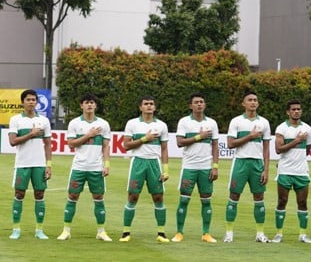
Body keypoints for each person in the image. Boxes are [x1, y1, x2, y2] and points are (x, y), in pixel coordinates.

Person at [56, 94, 112, 242]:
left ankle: (101, 231)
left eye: (92, 102)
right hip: (79, 167)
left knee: (99, 198)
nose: (89, 105)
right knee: (73, 196)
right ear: (81, 105)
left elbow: (106, 146)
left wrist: (106, 165)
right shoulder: (74, 123)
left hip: (96, 168)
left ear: (95, 106)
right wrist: (89, 135)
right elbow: (71, 143)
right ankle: (66, 230)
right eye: (86, 103)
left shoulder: (103, 124)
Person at [119, 95, 170, 243]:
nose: (149, 106)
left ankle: (161, 233)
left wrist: (165, 170)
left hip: (154, 163)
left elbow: (165, 149)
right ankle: (126, 232)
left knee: (158, 197)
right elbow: (126, 145)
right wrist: (144, 139)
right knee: (133, 196)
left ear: (155, 107)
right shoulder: (132, 124)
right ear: (140, 107)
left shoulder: (161, 125)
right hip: (138, 163)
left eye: (151, 104)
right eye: (146, 104)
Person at [224, 91, 271, 243]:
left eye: (255, 100)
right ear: (243, 104)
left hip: (257, 164)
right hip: (240, 162)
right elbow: (230, 144)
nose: (253, 102)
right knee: (234, 196)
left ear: (258, 103)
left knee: (259, 197)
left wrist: (266, 169)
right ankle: (229, 233)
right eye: (250, 100)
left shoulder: (264, 122)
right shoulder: (236, 121)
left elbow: (266, 148)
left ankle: (260, 234)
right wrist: (250, 136)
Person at [172, 92, 220, 243]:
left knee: (206, 201)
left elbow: (215, 146)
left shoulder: (212, 123)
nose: (199, 104)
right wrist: (199, 136)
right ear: (190, 105)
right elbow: (179, 142)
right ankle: (179, 233)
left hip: (206, 168)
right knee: (184, 200)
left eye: (201, 102)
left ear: (204, 105)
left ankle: (206, 233)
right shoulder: (184, 122)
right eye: (196, 102)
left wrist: (215, 167)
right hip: (189, 167)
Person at [8, 89, 52, 240]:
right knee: (19, 194)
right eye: (28, 99)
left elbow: (47, 144)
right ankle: (16, 229)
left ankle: (39, 230)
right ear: (22, 102)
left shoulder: (44, 121)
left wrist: (49, 165)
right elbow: (13, 141)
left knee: (40, 194)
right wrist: (31, 134)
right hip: (22, 163)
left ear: (37, 102)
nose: (31, 102)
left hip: (39, 164)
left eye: (34, 99)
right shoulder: (16, 120)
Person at [272, 99, 311, 243]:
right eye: (293, 109)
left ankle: (303, 235)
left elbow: (308, 150)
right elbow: (278, 149)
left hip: (302, 171)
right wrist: (296, 141)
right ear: (288, 112)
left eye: (299, 109)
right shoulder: (281, 128)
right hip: (285, 170)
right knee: (282, 201)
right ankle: (279, 234)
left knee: (302, 202)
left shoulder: (307, 129)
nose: (296, 111)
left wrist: (298, 155)